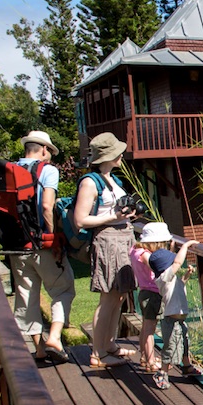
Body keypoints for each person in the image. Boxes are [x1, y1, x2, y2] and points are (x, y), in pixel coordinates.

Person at [74, 133, 139, 368]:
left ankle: (109, 344)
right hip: (108, 241)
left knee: (120, 295)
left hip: (124, 239)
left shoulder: (113, 179)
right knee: (108, 297)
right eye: (118, 151)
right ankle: (98, 353)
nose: (122, 154)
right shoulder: (91, 182)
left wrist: (130, 215)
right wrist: (114, 216)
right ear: (109, 155)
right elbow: (80, 220)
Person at [12, 131, 75, 363]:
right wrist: (51, 239)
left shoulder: (9, 169)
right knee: (63, 289)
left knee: (27, 297)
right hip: (41, 244)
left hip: (16, 247)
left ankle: (39, 348)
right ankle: (55, 338)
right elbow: (47, 207)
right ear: (44, 150)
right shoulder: (47, 170)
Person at [148, 239, 200, 390]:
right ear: (166, 267)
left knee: (185, 343)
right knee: (170, 348)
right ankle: (162, 373)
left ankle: (187, 366)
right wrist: (185, 246)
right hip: (171, 321)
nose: (175, 264)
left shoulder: (170, 279)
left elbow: (180, 284)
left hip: (179, 320)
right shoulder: (163, 278)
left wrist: (187, 274)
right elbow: (177, 263)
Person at [130, 222, 170, 373]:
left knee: (146, 326)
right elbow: (157, 268)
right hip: (153, 293)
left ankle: (144, 357)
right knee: (150, 329)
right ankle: (151, 362)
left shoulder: (135, 251)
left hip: (144, 291)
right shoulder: (146, 255)